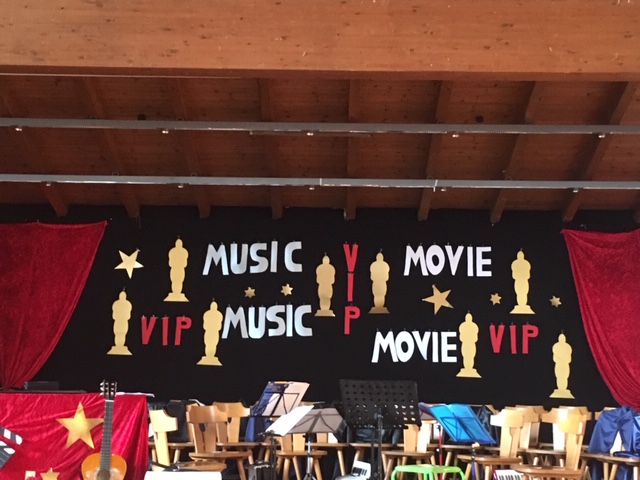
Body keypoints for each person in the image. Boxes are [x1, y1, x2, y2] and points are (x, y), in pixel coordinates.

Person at [198, 301, 223, 366]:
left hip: (214, 331)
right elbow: (205, 324)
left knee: (213, 344)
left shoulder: (218, 314)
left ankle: (211, 355)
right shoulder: (207, 314)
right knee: (208, 343)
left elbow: (219, 325)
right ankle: (208, 355)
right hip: (209, 331)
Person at [108, 291, 132, 355]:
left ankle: (120, 345)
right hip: (119, 321)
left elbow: (128, 315)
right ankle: (118, 346)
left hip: (122, 321)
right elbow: (114, 315)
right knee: (118, 333)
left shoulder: (126, 304)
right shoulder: (118, 304)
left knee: (122, 333)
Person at [457, 312, 481, 377]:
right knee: (465, 355)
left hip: (471, 343)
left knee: (471, 356)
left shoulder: (474, 326)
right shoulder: (463, 326)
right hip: (465, 343)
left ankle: (470, 368)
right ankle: (467, 368)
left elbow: (475, 337)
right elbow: (461, 337)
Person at [551, 333, 574, 398]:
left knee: (565, 376)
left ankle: (563, 389)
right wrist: (560, 359)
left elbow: (569, 358)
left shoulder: (567, 347)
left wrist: (564, 359)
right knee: (559, 376)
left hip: (565, 364)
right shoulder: (556, 346)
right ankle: (560, 389)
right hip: (559, 364)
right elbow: (555, 357)